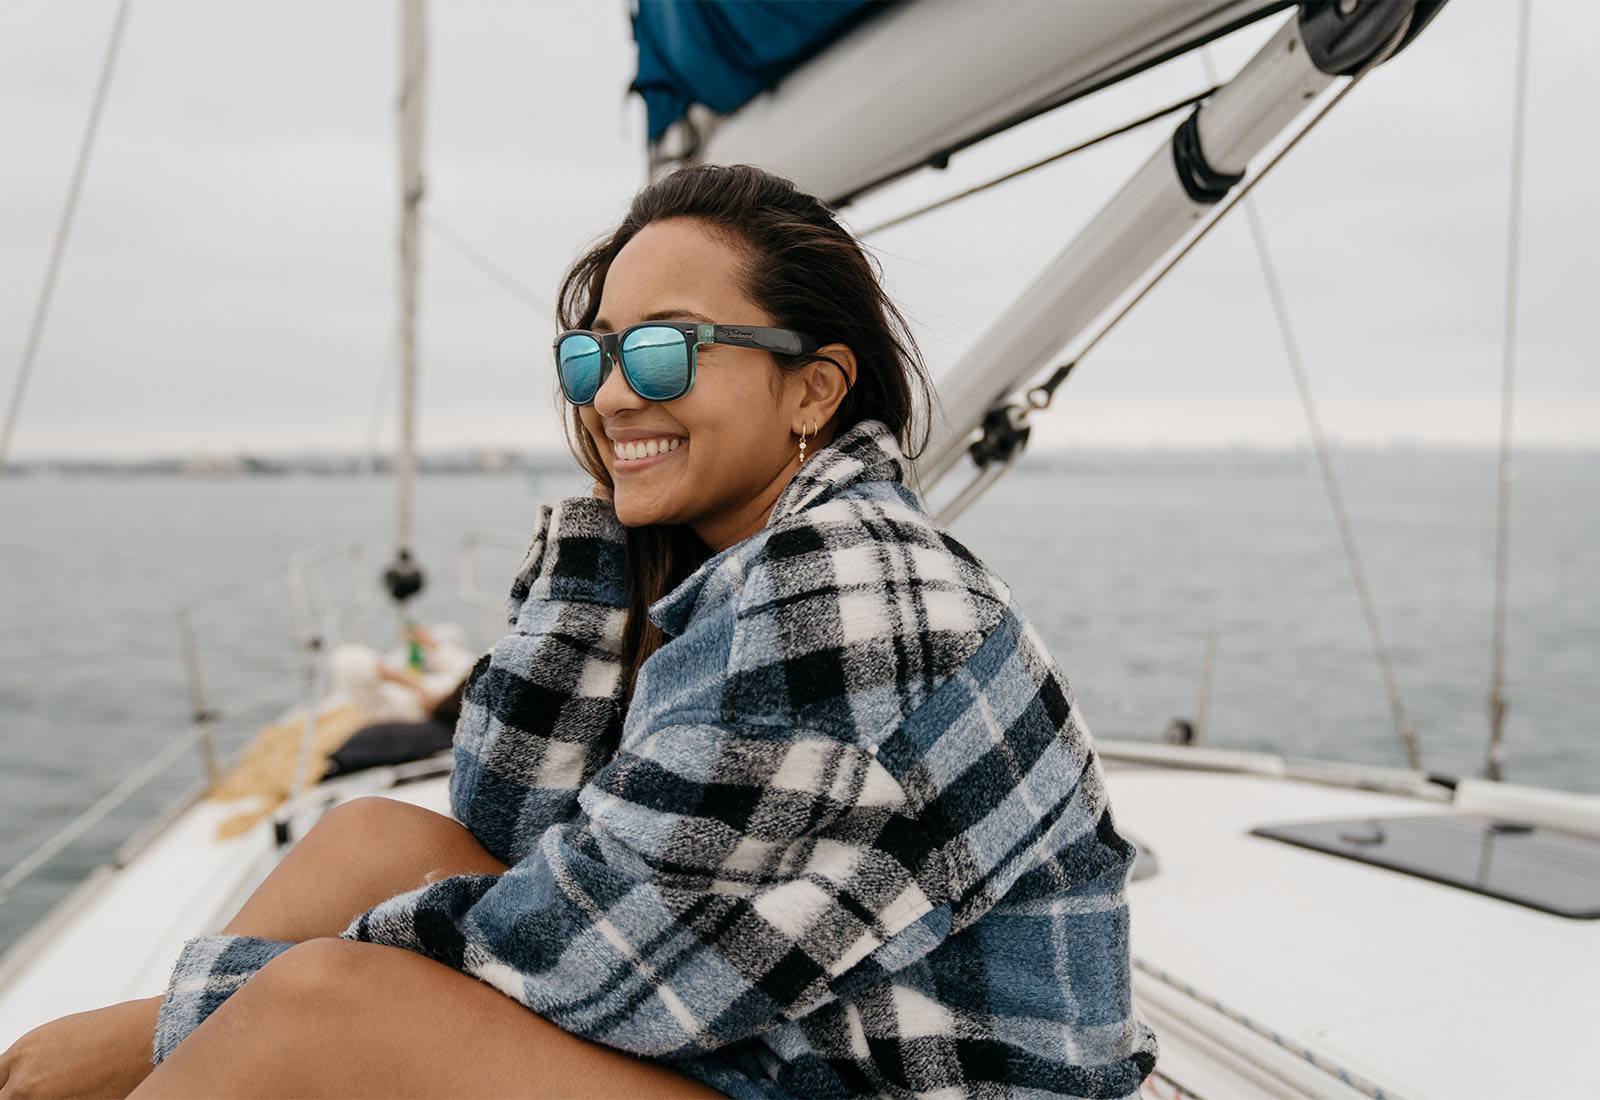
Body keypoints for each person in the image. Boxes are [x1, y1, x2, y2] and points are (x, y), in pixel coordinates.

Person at [0, 164, 1157, 1099]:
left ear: (811, 390)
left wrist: (165, 1024)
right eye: (592, 353)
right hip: (788, 1046)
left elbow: (604, 953)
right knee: (367, 838)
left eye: (661, 349)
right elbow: (509, 816)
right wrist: (606, 538)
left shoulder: (848, 583)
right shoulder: (728, 560)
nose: (608, 396)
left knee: (327, 1007)